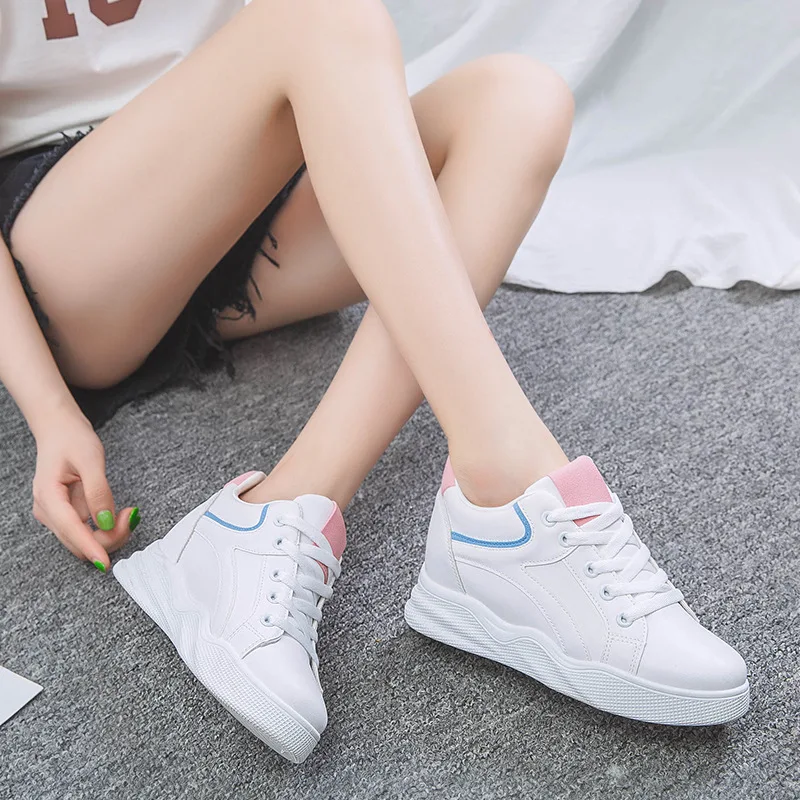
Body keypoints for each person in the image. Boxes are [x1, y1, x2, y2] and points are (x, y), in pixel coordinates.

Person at [0, 0, 749, 763]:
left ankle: (277, 512)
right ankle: (510, 492)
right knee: (322, 15)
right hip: (74, 250)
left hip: (242, 197)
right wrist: (51, 410)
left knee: (522, 100)